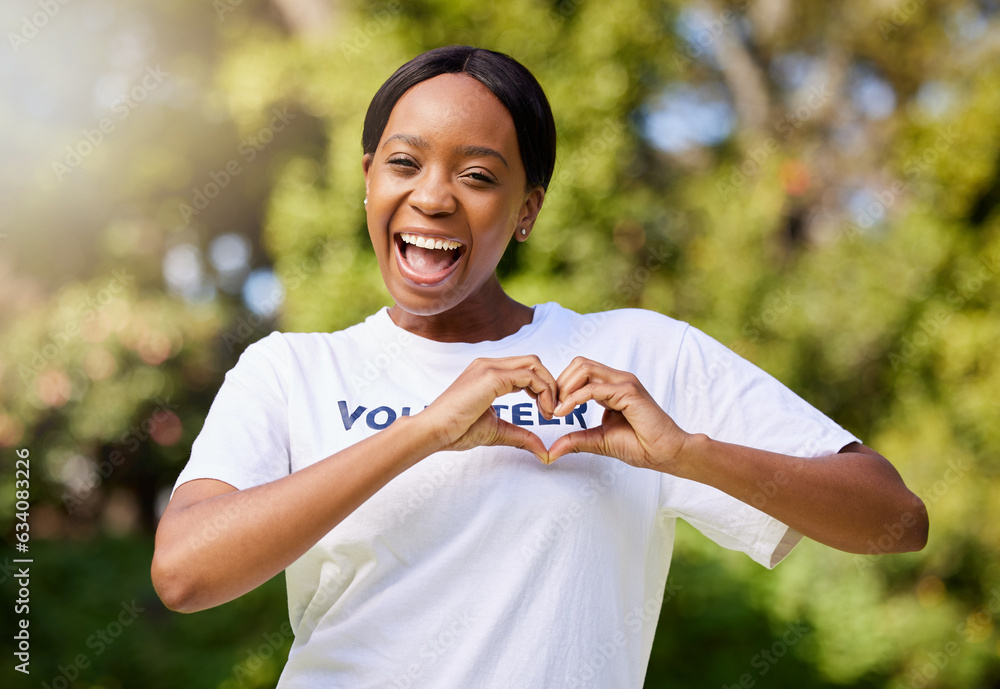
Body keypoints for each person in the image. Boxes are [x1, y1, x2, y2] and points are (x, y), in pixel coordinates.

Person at [151, 45, 928, 687]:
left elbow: (894, 518)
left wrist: (686, 453)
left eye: (479, 175)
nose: (432, 196)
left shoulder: (638, 357)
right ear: (367, 182)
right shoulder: (293, 370)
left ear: (527, 210)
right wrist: (424, 432)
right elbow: (185, 573)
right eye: (404, 162)